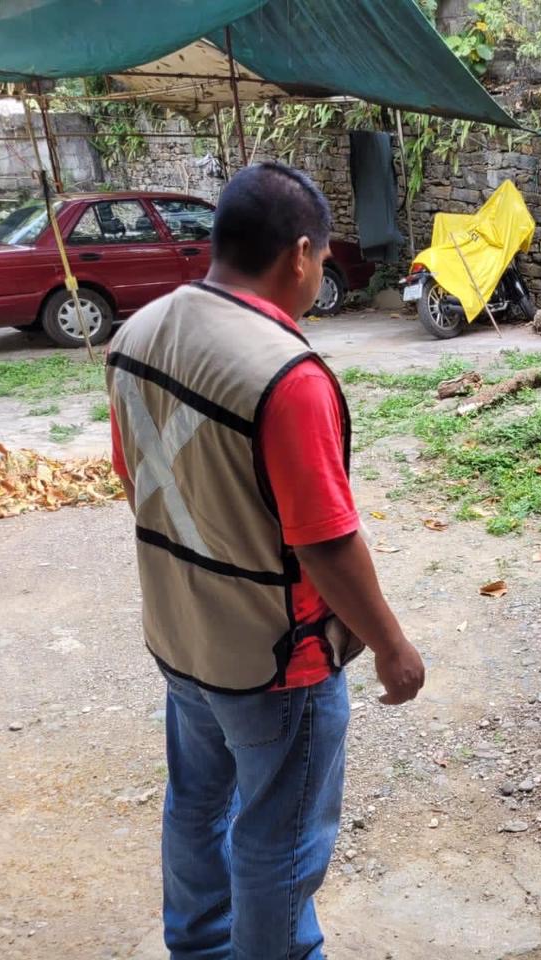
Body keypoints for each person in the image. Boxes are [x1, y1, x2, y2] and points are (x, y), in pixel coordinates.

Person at [106, 161, 426, 958]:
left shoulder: (136, 333)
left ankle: (203, 948)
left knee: (196, 807)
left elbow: (135, 480)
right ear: (301, 254)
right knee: (278, 842)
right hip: (277, 665)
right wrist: (392, 647)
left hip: (180, 638)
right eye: (320, 261)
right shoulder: (288, 375)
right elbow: (326, 542)